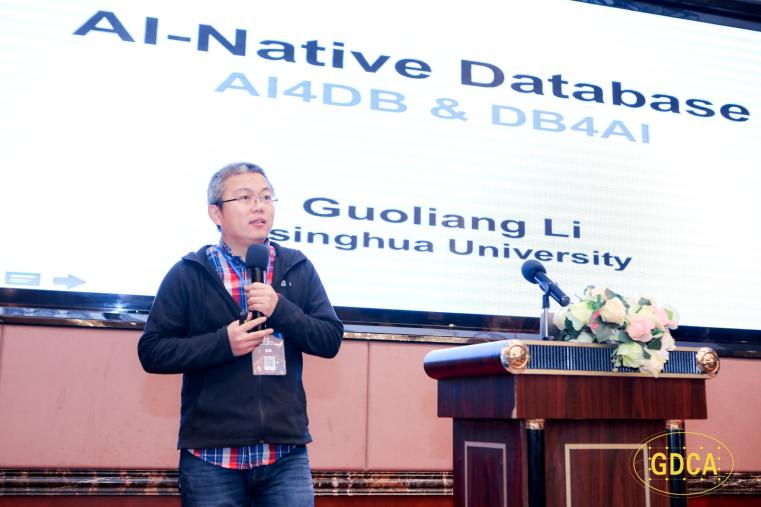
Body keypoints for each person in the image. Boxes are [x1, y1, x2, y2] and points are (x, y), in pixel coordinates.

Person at [138, 162, 343, 506]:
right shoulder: (189, 273)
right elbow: (152, 351)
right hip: (211, 459)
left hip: (284, 456)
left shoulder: (297, 267)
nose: (259, 206)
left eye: (266, 197)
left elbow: (329, 338)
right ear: (215, 213)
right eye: (245, 197)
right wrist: (223, 344)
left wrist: (280, 309)